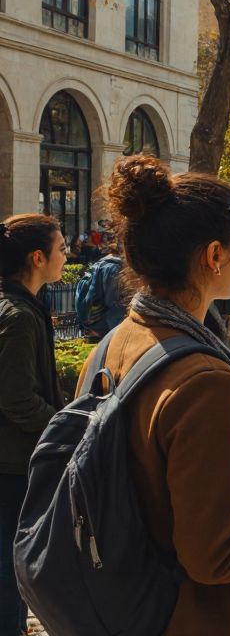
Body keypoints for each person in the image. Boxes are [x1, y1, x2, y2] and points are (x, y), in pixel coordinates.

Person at [83, 155, 230, 634]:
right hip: (199, 615)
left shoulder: (117, 341)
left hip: (131, 602)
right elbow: (219, 552)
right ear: (214, 255)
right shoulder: (204, 382)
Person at [0, 214, 65, 635]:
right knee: (9, 566)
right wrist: (63, 425)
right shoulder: (19, 315)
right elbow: (17, 398)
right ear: (38, 257)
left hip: (13, 459)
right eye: (61, 249)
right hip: (11, 463)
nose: (67, 256)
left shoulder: (21, 306)